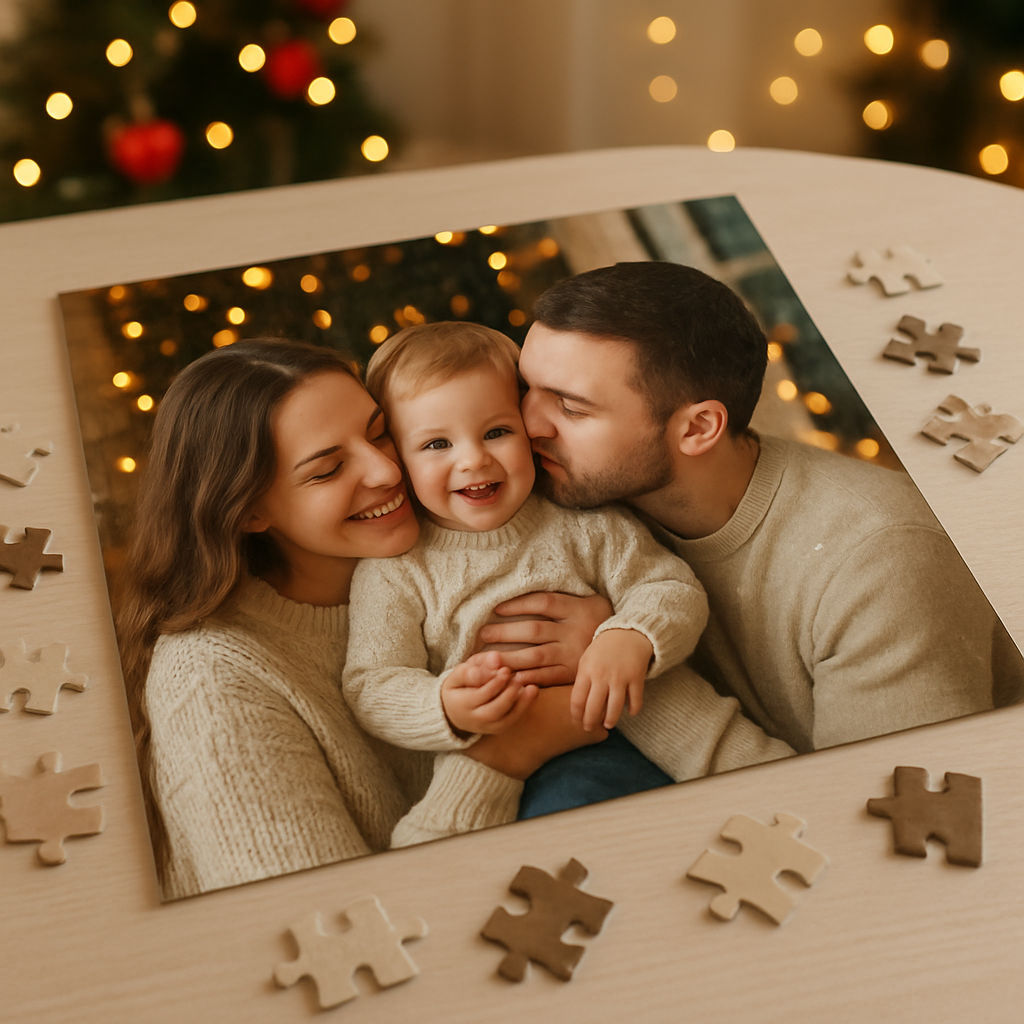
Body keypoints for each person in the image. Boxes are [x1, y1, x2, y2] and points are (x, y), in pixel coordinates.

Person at [115, 339, 608, 900]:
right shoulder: (211, 680)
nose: (385, 469)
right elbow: (331, 930)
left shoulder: (480, 538)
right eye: (327, 470)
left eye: (379, 433)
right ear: (249, 510)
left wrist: (609, 630)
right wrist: (503, 756)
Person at [507, 260, 1023, 755]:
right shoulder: (565, 498)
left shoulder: (880, 559)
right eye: (526, 388)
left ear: (697, 428)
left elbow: (876, 807)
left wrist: (624, 676)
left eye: (571, 407)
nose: (528, 425)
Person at [342, 322, 793, 813]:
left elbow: (669, 587)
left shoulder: (581, 521)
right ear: (399, 460)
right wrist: (444, 705)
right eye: (436, 445)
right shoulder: (396, 570)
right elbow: (373, 682)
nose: (473, 459)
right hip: (520, 763)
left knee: (786, 792)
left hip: (670, 720)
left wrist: (631, 635)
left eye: (496, 432)